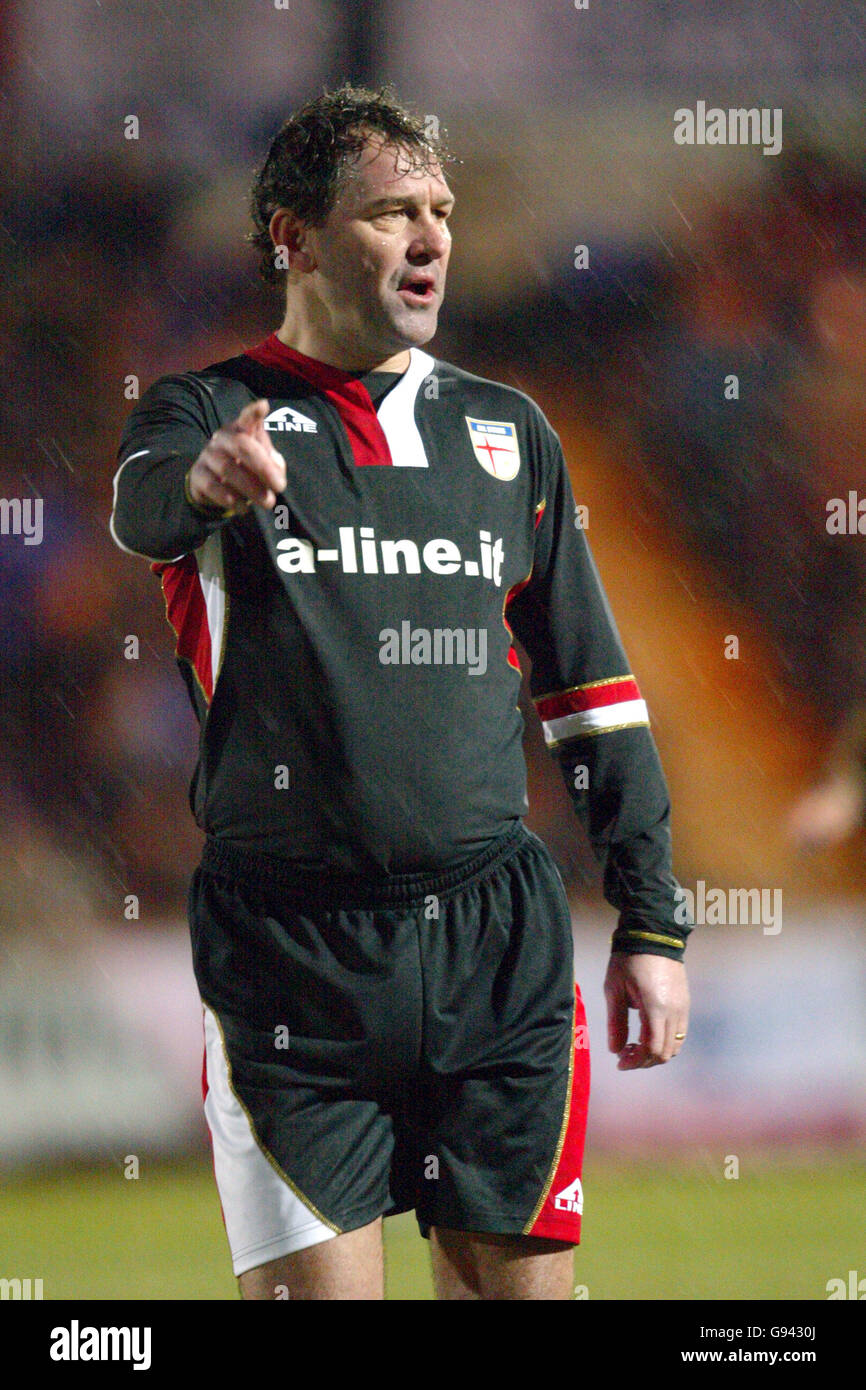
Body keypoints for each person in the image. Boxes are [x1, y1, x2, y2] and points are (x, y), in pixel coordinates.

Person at [110, 85, 691, 1301]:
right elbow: (142, 508)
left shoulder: (507, 431)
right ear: (295, 239)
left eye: (441, 210)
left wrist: (647, 922)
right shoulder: (204, 413)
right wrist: (209, 485)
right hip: (291, 962)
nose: (430, 237)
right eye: (391, 212)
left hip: (496, 946)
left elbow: (589, 691)